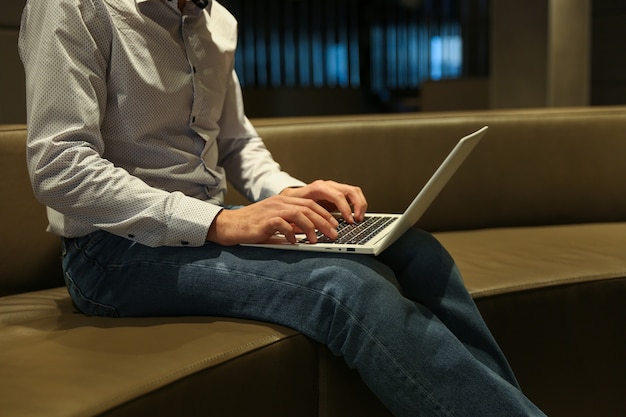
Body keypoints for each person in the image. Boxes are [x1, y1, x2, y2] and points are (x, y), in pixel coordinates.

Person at [19, 0, 547, 416]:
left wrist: (296, 194)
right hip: (110, 255)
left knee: (419, 251)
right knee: (347, 286)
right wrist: (220, 220)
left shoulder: (215, 20)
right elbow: (59, 166)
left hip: (207, 227)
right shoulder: (73, 5)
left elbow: (236, 144)